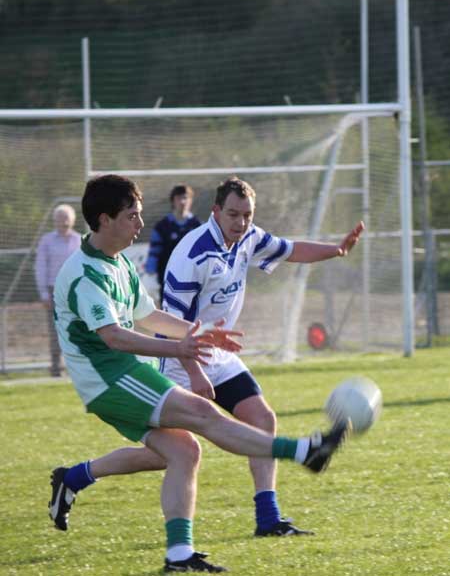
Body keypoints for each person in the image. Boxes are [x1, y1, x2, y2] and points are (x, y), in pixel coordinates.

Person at [49, 174, 350, 574]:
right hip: (107, 376)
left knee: (183, 452)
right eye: (132, 216)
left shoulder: (119, 262)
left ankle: (177, 555)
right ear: (105, 219)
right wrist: (181, 349)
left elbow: (149, 316)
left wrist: (202, 334)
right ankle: (303, 451)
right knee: (204, 417)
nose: (140, 225)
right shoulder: (87, 274)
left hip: (121, 371)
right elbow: (115, 338)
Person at [161, 176, 365, 538]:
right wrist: (194, 373)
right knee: (165, 454)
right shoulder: (192, 253)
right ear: (216, 211)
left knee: (262, 418)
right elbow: (173, 326)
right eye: (234, 215)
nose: (241, 223)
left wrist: (336, 250)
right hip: (181, 360)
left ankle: (268, 519)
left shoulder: (248, 237)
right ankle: (78, 475)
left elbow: (291, 250)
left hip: (219, 356)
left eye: (247, 215)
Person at [34, 203, 81, 376]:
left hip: (74, 291)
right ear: (55, 220)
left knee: (76, 328)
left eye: (67, 218)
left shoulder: (79, 240)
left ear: (73, 220)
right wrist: (44, 293)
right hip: (53, 290)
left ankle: (76, 366)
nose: (64, 221)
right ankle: (56, 367)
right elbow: (40, 267)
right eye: (60, 218)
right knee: (55, 330)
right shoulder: (46, 240)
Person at [144, 184, 201, 304]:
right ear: (173, 201)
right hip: (167, 278)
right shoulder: (162, 226)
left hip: (192, 279)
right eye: (179, 198)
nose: (183, 201)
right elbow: (154, 251)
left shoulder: (197, 226)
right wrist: (150, 273)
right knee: (169, 314)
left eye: (186, 198)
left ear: (191, 201)